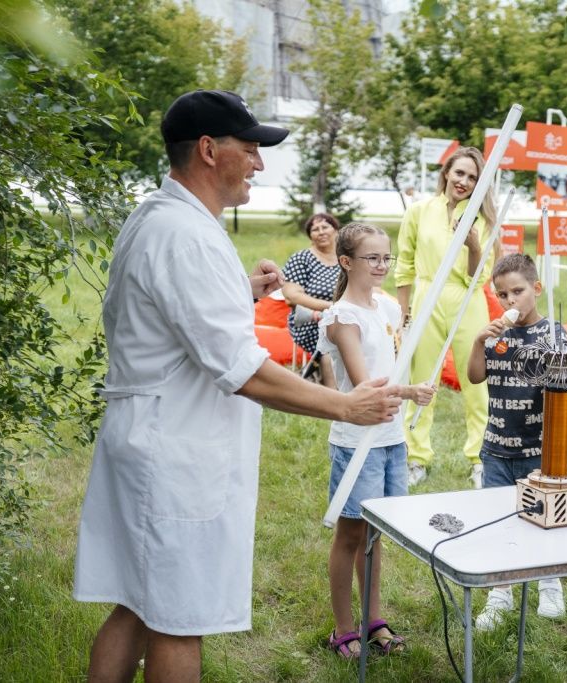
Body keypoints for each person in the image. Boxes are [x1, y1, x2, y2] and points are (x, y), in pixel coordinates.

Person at [72, 90, 402, 683]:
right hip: (174, 455)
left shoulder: (162, 218)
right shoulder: (186, 238)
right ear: (208, 150)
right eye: (249, 149)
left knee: (138, 607)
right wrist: (346, 405)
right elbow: (242, 368)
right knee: (177, 619)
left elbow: (178, 319)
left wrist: (243, 290)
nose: (259, 163)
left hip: (157, 441)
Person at [317, 222, 435, 658]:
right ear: (347, 263)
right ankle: (343, 628)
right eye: (373, 258)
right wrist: (408, 392)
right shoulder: (341, 318)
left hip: (390, 439)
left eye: (386, 257)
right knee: (350, 533)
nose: (382, 265)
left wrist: (409, 386)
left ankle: (373, 618)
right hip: (356, 441)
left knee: (375, 534)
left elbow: (394, 362)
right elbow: (365, 387)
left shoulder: (386, 308)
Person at [465, 254, 567, 630]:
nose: (510, 301)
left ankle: (549, 582)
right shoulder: (496, 335)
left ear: (536, 289)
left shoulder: (554, 334)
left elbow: (563, 379)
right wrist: (479, 341)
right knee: (499, 521)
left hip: (538, 448)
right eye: (502, 294)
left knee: (542, 518)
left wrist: (551, 358)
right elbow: (476, 377)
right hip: (495, 447)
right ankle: (500, 591)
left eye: (518, 292)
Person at [395, 146, 498, 489]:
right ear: (446, 173)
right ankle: (416, 456)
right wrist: (403, 310)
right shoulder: (420, 211)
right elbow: (405, 262)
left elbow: (479, 278)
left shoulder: (484, 221)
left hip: (467, 302)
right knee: (422, 380)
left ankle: (480, 459)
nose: (464, 181)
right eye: (459, 173)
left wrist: (473, 246)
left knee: (476, 385)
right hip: (426, 297)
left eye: (472, 177)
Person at [281, 211, 341, 382]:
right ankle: (333, 397)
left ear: (336, 230)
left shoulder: (346, 258)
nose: (321, 232)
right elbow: (291, 296)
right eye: (315, 229)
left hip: (344, 316)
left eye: (325, 227)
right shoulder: (302, 258)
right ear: (310, 237)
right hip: (310, 320)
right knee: (332, 343)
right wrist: (329, 307)